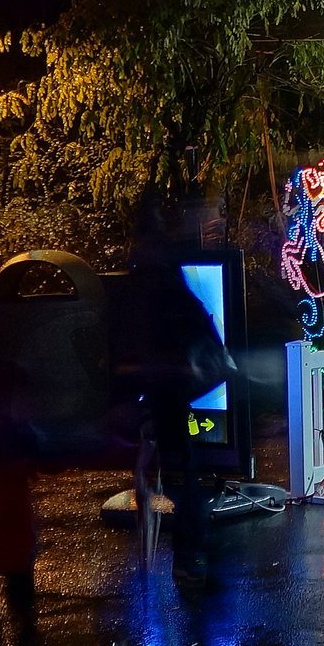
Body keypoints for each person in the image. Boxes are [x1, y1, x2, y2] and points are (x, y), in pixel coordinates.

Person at [108, 200, 236, 586]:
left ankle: (179, 553)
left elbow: (124, 337)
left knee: (172, 470)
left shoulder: (142, 285)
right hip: (170, 389)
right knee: (182, 472)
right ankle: (190, 554)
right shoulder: (171, 282)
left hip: (155, 389)